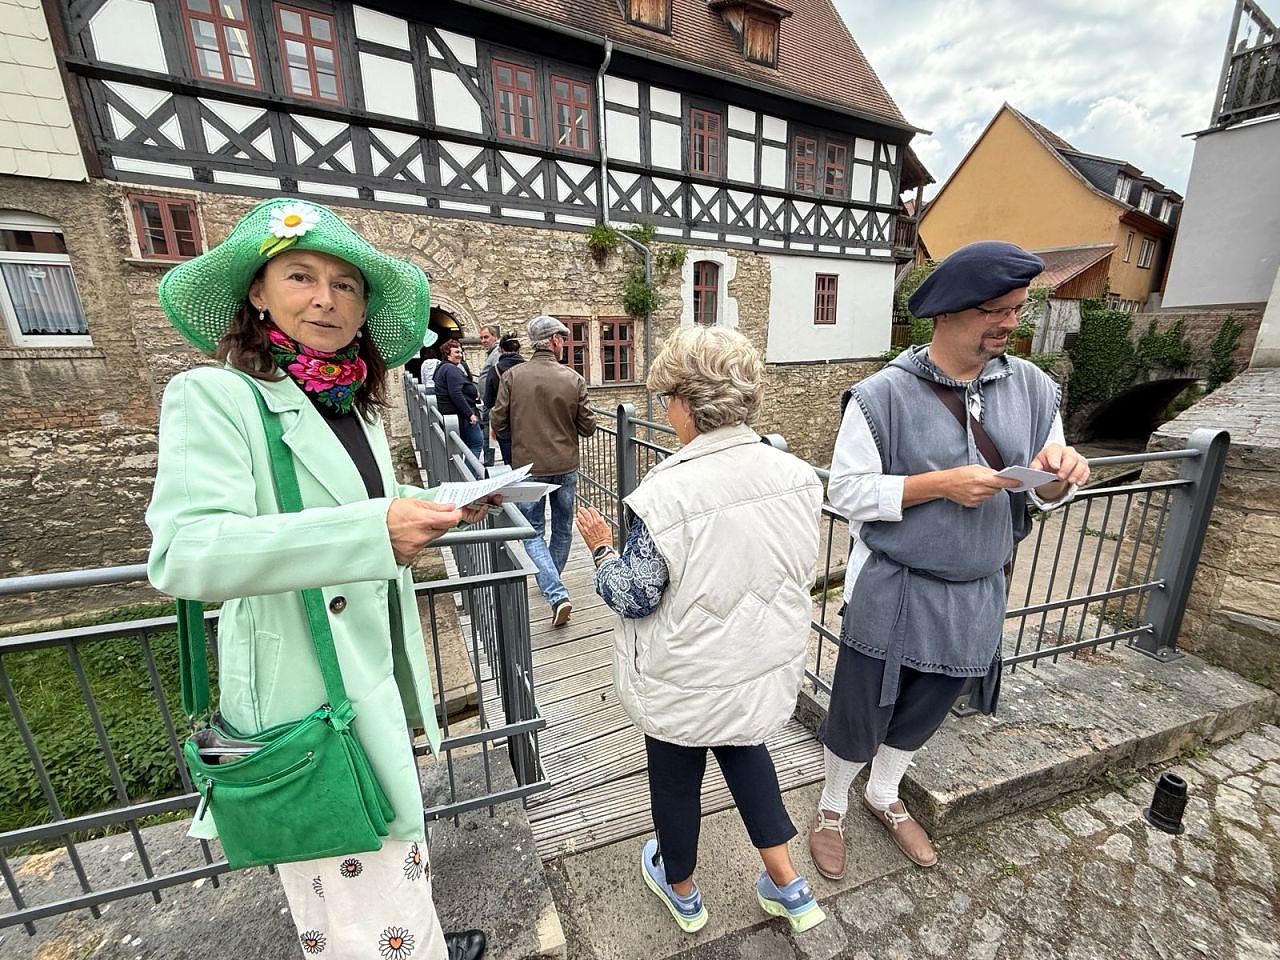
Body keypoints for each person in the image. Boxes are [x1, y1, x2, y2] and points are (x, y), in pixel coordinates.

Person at [145, 197, 489, 960]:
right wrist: (374, 531)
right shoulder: (215, 395)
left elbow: (354, 510)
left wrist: (435, 506)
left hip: (369, 669)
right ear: (258, 293)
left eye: (346, 284)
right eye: (300, 276)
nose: (326, 299)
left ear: (363, 309)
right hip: (309, 695)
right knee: (349, 888)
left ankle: (420, 943)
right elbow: (185, 553)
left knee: (390, 860)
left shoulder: (351, 405)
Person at [807, 240, 1090, 881]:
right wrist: (938, 485)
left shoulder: (1035, 388)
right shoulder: (880, 395)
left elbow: (1043, 493)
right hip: (893, 586)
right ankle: (831, 805)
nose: (1010, 322)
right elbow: (845, 492)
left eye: (1017, 308)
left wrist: (1058, 479)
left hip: (978, 589)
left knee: (927, 708)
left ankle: (884, 794)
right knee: (860, 708)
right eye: (995, 310)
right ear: (946, 312)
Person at [576, 327, 827, 936]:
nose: (667, 410)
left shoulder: (665, 494)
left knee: (675, 778)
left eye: (668, 399)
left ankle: (683, 890)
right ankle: (790, 886)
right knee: (747, 753)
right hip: (758, 659)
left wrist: (603, 549)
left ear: (687, 405)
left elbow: (633, 595)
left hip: (687, 672)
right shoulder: (797, 475)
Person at [490, 315, 595, 627]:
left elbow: (498, 421)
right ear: (554, 341)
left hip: (529, 466)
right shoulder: (573, 379)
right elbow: (588, 427)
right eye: (563, 339)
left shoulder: (513, 376)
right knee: (563, 527)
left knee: (532, 530)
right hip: (565, 464)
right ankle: (553, 585)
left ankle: (554, 589)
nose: (564, 344)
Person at [434, 338, 484, 461]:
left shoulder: (442, 368)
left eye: (461, 352)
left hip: (453, 413)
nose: (460, 355)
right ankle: (470, 472)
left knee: (464, 446)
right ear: (447, 354)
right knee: (476, 443)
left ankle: (466, 470)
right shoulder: (451, 370)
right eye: (456, 352)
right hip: (461, 414)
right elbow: (455, 393)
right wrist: (470, 414)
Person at [482, 331, 524, 467]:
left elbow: (488, 401)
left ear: (501, 349)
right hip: (526, 421)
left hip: (504, 422)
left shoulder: (495, 370)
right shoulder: (529, 368)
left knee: (509, 461)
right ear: (519, 349)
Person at [477, 323, 501, 467]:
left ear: (495, 336)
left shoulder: (496, 353)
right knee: (489, 434)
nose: (483, 341)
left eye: (486, 337)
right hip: (489, 400)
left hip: (492, 402)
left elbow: (497, 376)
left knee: (489, 434)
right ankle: (489, 462)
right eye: (481, 338)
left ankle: (488, 464)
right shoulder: (492, 352)